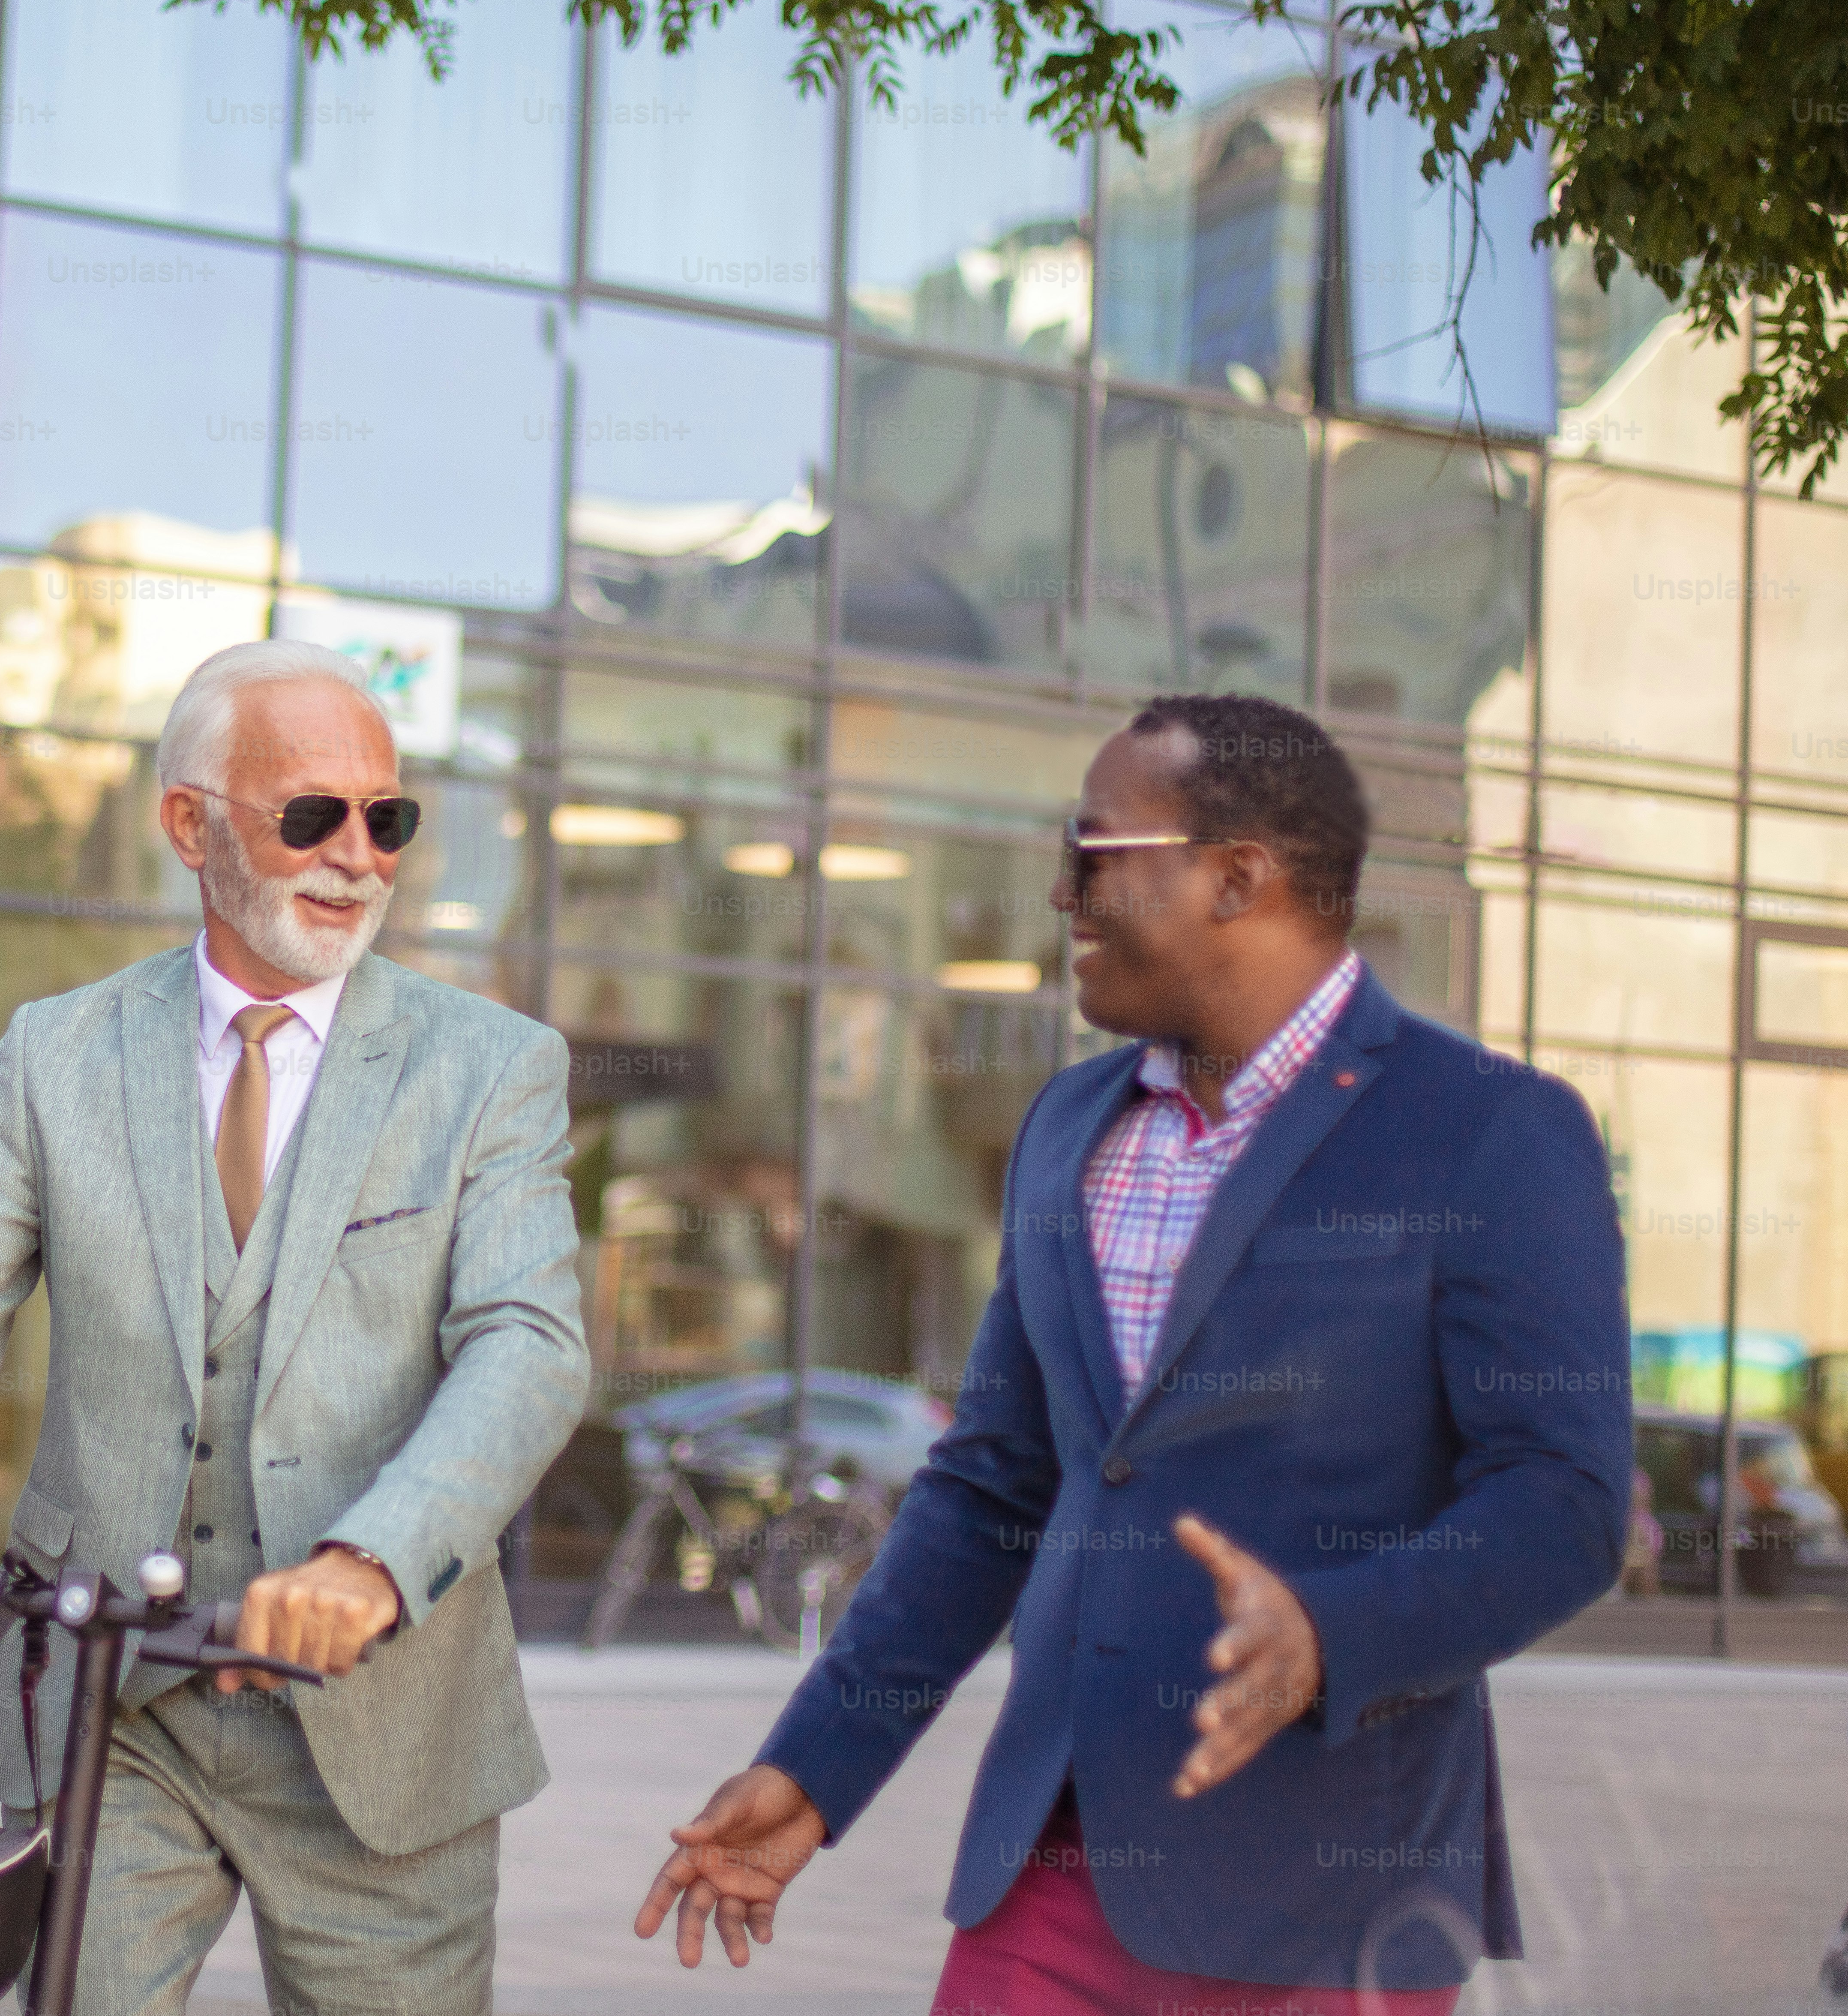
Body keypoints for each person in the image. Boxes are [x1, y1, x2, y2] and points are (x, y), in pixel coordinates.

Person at [636, 694, 1632, 2013]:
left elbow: (1564, 1500)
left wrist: (1330, 1636)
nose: (1061, 893)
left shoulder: (1489, 1130)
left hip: (1327, 1897)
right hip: (1051, 1864)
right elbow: (992, 1486)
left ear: (1237, 875)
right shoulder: (1067, 1126)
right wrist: (819, 1763)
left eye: (1094, 850)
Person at [0, 638, 589, 2016]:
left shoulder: (492, 1070)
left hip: (388, 1728)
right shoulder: (55, 1053)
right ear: (190, 824)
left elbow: (530, 1346)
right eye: (311, 816)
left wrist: (374, 1559)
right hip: (107, 1709)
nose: (359, 855)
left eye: (387, 818)